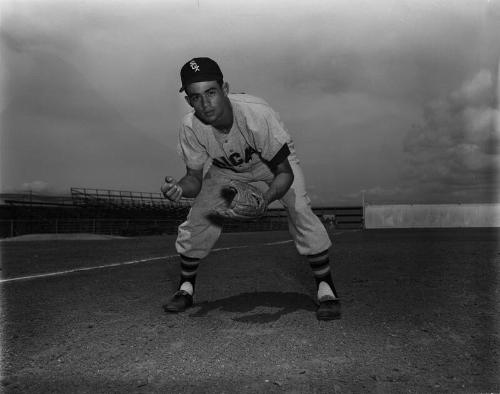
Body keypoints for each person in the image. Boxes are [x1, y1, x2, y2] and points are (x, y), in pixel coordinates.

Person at [161, 57, 340, 320]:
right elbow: (193, 180)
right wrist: (179, 188)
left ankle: (326, 288)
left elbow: (284, 173)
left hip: (272, 165)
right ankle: (186, 289)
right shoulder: (191, 127)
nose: (205, 103)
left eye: (211, 92)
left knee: (299, 207)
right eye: (196, 97)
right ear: (188, 101)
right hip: (226, 169)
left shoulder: (256, 115)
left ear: (225, 89)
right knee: (200, 215)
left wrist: (264, 200)